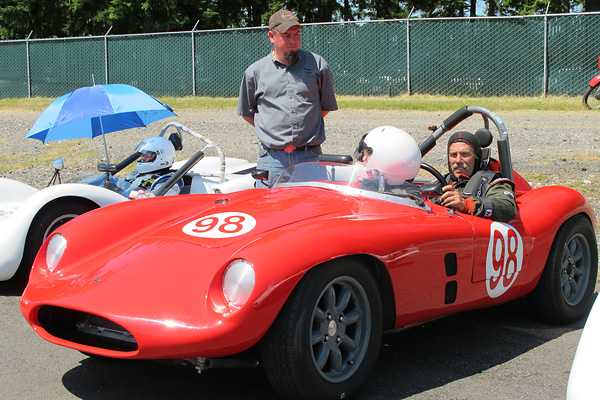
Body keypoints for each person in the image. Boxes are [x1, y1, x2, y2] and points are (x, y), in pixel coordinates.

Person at [237, 9, 338, 188]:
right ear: (271, 36)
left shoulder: (318, 65)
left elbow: (324, 107)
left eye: (297, 34)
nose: (293, 40)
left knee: (313, 210)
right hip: (272, 160)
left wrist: (301, 134)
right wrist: (276, 135)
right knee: (270, 211)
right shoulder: (255, 72)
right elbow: (248, 113)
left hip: (310, 157)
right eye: (286, 35)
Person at [438, 131, 517, 222]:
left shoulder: (492, 182)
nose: (458, 160)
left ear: (476, 157)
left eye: (465, 154)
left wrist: (467, 205)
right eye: (453, 155)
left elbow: (507, 207)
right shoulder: (440, 182)